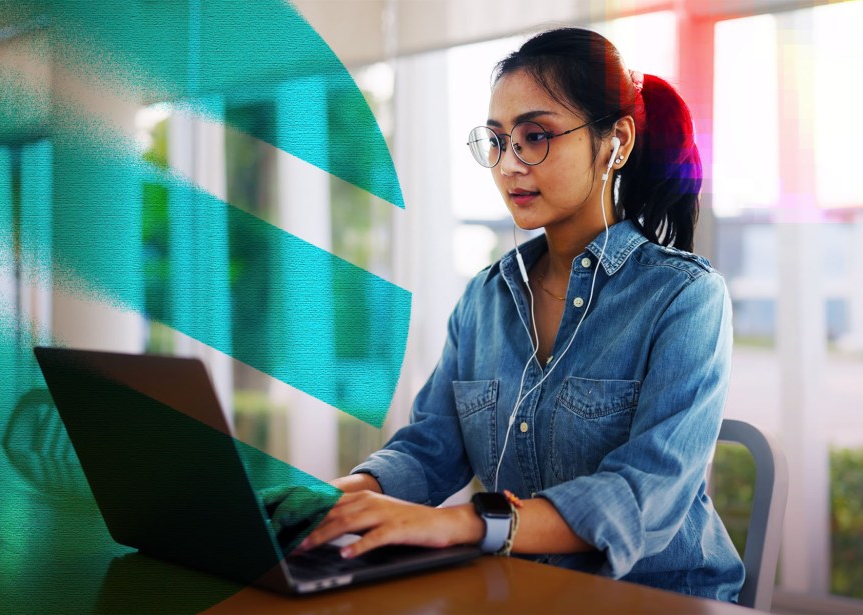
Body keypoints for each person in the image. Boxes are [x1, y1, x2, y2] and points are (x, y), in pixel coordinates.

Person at [297, 26, 745, 602]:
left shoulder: (684, 297)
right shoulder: (484, 300)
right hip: (526, 592)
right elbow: (430, 448)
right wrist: (338, 499)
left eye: (535, 136)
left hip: (661, 599)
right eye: (497, 140)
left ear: (617, 143)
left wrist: (467, 524)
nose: (509, 164)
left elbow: (645, 493)